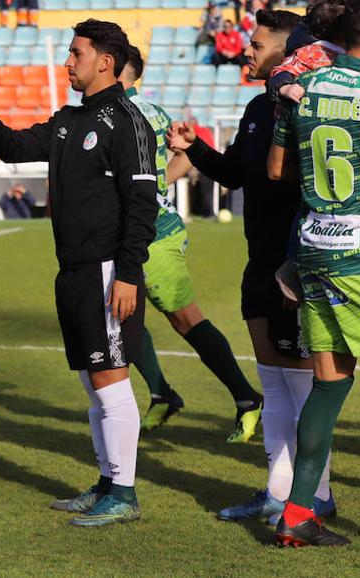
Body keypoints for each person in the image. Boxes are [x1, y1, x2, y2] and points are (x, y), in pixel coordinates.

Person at [0, 19, 158, 527]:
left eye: (76, 53)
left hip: (107, 269)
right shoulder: (70, 120)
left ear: (105, 62)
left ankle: (126, 494)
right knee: (94, 384)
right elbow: (11, 146)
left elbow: (141, 206)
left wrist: (129, 275)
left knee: (111, 381)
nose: (67, 62)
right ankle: (107, 482)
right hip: (71, 271)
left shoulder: (128, 122)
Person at [172, 9, 333, 524]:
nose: (247, 49)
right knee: (274, 383)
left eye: (258, 43)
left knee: (303, 384)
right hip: (257, 262)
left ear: (288, 54)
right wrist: (194, 147)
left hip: (295, 262)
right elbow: (236, 176)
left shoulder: (308, 111)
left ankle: (316, 493)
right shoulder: (253, 108)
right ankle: (276, 491)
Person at [119, 47, 265, 439]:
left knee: (185, 319)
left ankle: (246, 397)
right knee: (119, 316)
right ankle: (162, 393)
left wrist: (152, 188)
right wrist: (160, 181)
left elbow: (183, 156)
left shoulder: (129, 114)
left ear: (118, 69)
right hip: (131, 233)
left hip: (153, 234)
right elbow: (182, 158)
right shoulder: (152, 112)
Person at [267, 0, 360, 548]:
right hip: (357, 252)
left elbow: (277, 168)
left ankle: (298, 512)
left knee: (329, 384)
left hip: (315, 246)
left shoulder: (305, 88)